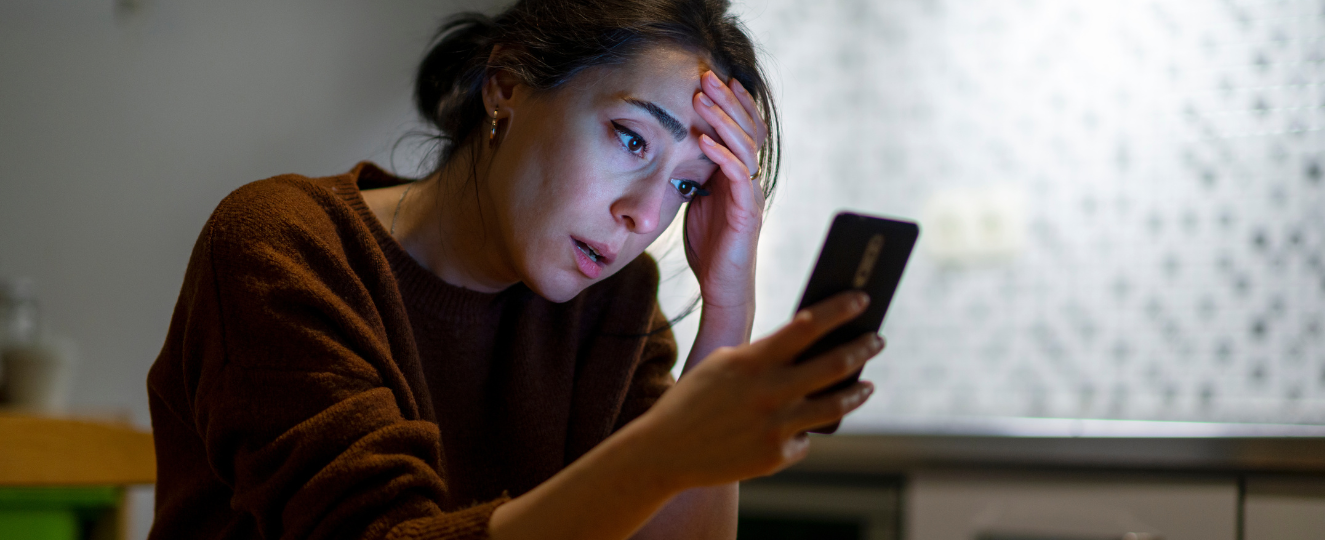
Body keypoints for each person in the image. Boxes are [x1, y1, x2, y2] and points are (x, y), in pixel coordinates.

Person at [146, 0, 883, 538]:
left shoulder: (616, 306)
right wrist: (661, 455)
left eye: (687, 184)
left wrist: (726, 311)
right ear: (506, 88)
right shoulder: (283, 246)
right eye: (630, 140)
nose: (645, 216)